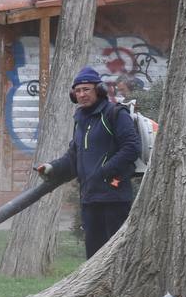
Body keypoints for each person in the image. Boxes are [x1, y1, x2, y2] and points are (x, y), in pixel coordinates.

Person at [36, 66, 140, 258]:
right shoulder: (80, 120)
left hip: (114, 199)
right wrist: (52, 168)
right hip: (90, 198)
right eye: (78, 91)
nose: (82, 94)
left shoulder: (115, 114)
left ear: (98, 90)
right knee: (93, 257)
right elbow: (73, 157)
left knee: (116, 256)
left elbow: (131, 148)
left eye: (86, 89)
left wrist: (104, 171)